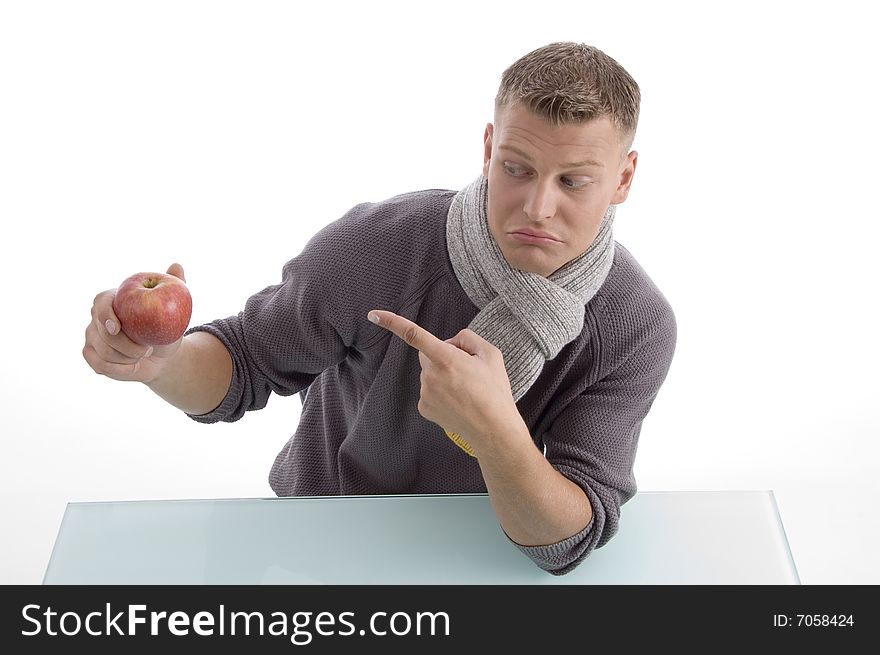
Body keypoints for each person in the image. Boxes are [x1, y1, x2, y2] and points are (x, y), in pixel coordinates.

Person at [83, 41, 677, 575]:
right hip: (322, 549)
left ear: (624, 177)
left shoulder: (635, 323)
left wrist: (493, 431)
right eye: (516, 170)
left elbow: (569, 539)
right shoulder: (382, 243)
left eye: (574, 182)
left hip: (487, 566)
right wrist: (161, 361)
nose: (538, 208)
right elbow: (244, 363)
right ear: (490, 146)